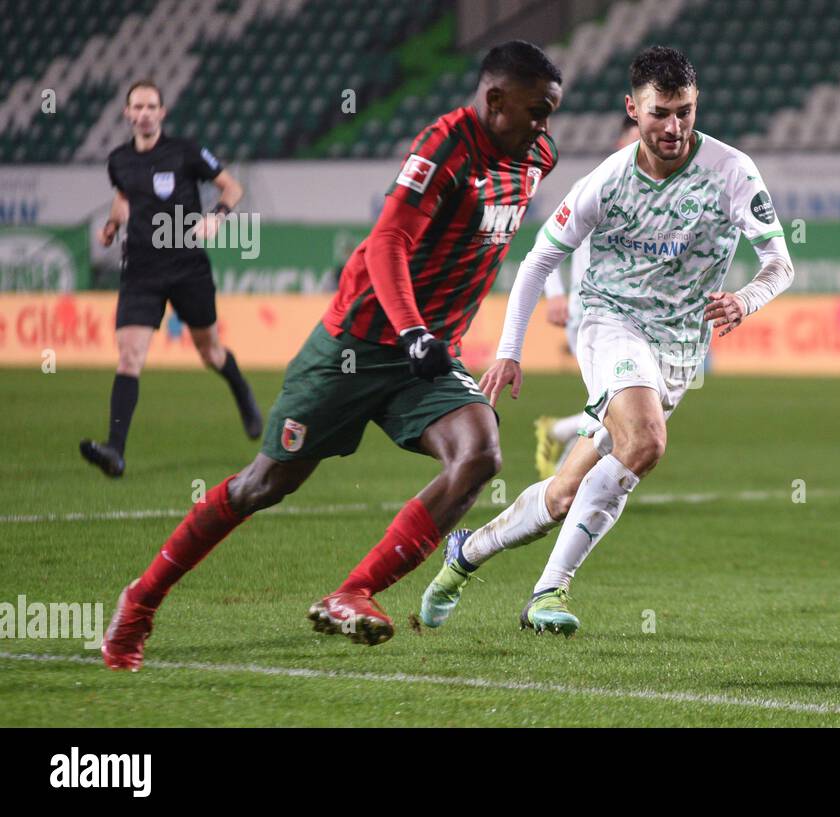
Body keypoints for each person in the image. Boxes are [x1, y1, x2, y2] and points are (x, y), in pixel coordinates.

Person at [101, 41, 563, 670]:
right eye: (537, 110)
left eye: (551, 113)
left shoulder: (538, 156)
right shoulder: (444, 146)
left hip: (426, 358)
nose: (545, 126)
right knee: (263, 485)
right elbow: (387, 242)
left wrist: (430, 339)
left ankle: (354, 592)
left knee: (480, 452)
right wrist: (412, 331)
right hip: (360, 342)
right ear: (495, 100)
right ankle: (140, 600)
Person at [418, 46, 794, 636]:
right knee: (644, 442)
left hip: (677, 349)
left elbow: (780, 263)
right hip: (609, 322)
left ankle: (465, 555)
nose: (674, 128)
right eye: (660, 113)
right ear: (632, 109)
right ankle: (547, 594)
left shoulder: (732, 171)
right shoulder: (609, 181)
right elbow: (539, 260)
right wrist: (511, 349)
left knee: (566, 494)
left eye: (686, 113)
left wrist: (745, 298)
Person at [81, 79, 259, 478]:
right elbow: (124, 195)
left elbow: (232, 186)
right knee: (129, 356)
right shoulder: (119, 160)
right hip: (141, 270)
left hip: (187, 266)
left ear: (162, 112)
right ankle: (115, 450)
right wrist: (112, 223)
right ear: (127, 114)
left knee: (210, 352)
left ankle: (240, 389)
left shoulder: (186, 151)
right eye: (137, 107)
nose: (143, 114)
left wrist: (217, 216)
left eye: (151, 107)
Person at [533, 115, 641, 479]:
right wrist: (555, 294)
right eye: (635, 140)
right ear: (619, 146)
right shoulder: (596, 185)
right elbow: (546, 245)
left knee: (630, 403)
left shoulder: (662, 198)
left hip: (635, 321)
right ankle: (564, 482)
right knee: (617, 404)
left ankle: (560, 438)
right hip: (589, 315)